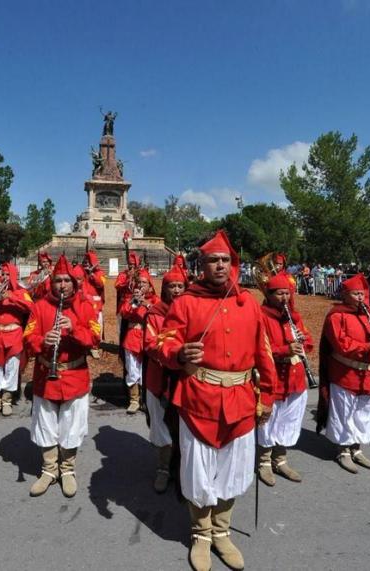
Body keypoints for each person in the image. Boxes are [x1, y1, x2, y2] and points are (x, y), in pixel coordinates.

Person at [154, 230, 278, 571]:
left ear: (232, 264)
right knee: (199, 473)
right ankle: (201, 535)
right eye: (213, 260)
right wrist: (179, 352)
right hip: (198, 401)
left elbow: (263, 353)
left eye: (225, 260)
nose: (220, 265)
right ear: (202, 265)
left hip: (240, 400)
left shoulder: (249, 303)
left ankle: (222, 533)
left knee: (233, 471)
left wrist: (267, 395)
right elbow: (163, 343)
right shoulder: (185, 302)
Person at [24, 254, 100, 498]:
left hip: (75, 374)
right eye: (58, 280)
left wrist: (74, 328)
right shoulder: (39, 306)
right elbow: (27, 338)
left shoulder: (86, 306)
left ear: (74, 283)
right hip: (46, 373)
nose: (63, 285)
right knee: (45, 424)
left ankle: (67, 469)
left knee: (72, 425)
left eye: (67, 280)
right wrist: (43, 340)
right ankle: (49, 469)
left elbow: (95, 338)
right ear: (52, 282)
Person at [316, 274, 370, 473]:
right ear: (346, 295)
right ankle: (343, 450)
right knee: (344, 414)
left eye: (363, 293)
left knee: (364, 414)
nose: (361, 297)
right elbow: (341, 345)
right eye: (356, 294)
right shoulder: (337, 315)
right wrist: (369, 345)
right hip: (345, 373)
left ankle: (357, 448)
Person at [255, 272, 312, 486]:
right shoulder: (261, 316)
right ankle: (264, 462)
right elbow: (260, 348)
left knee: (288, 420)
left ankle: (280, 459)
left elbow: (308, 340)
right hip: (273, 376)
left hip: (294, 377)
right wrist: (284, 350)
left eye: (287, 293)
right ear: (268, 295)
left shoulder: (293, 317)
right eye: (279, 294)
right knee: (269, 422)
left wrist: (303, 343)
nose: (284, 298)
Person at [142, 262, 187, 493]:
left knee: (184, 426)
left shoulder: (191, 312)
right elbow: (150, 344)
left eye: (180, 286)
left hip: (185, 379)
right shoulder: (154, 314)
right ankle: (163, 468)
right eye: (172, 286)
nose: (177, 290)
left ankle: (182, 468)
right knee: (161, 426)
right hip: (159, 378)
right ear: (164, 289)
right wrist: (173, 353)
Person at [0, 263, 32, 417]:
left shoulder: (21, 292)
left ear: (14, 276)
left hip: (13, 335)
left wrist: (12, 297)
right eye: (2, 274)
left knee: (12, 368)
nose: (4, 277)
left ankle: (7, 400)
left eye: (7, 274)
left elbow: (31, 307)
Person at [119, 269, 158, 414]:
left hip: (148, 338)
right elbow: (124, 313)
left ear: (150, 285)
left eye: (144, 283)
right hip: (132, 338)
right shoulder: (130, 298)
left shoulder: (155, 300)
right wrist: (133, 303)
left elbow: (159, 314)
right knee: (132, 369)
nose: (141, 285)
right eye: (139, 282)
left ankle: (144, 399)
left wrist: (146, 304)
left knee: (146, 369)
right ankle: (134, 400)